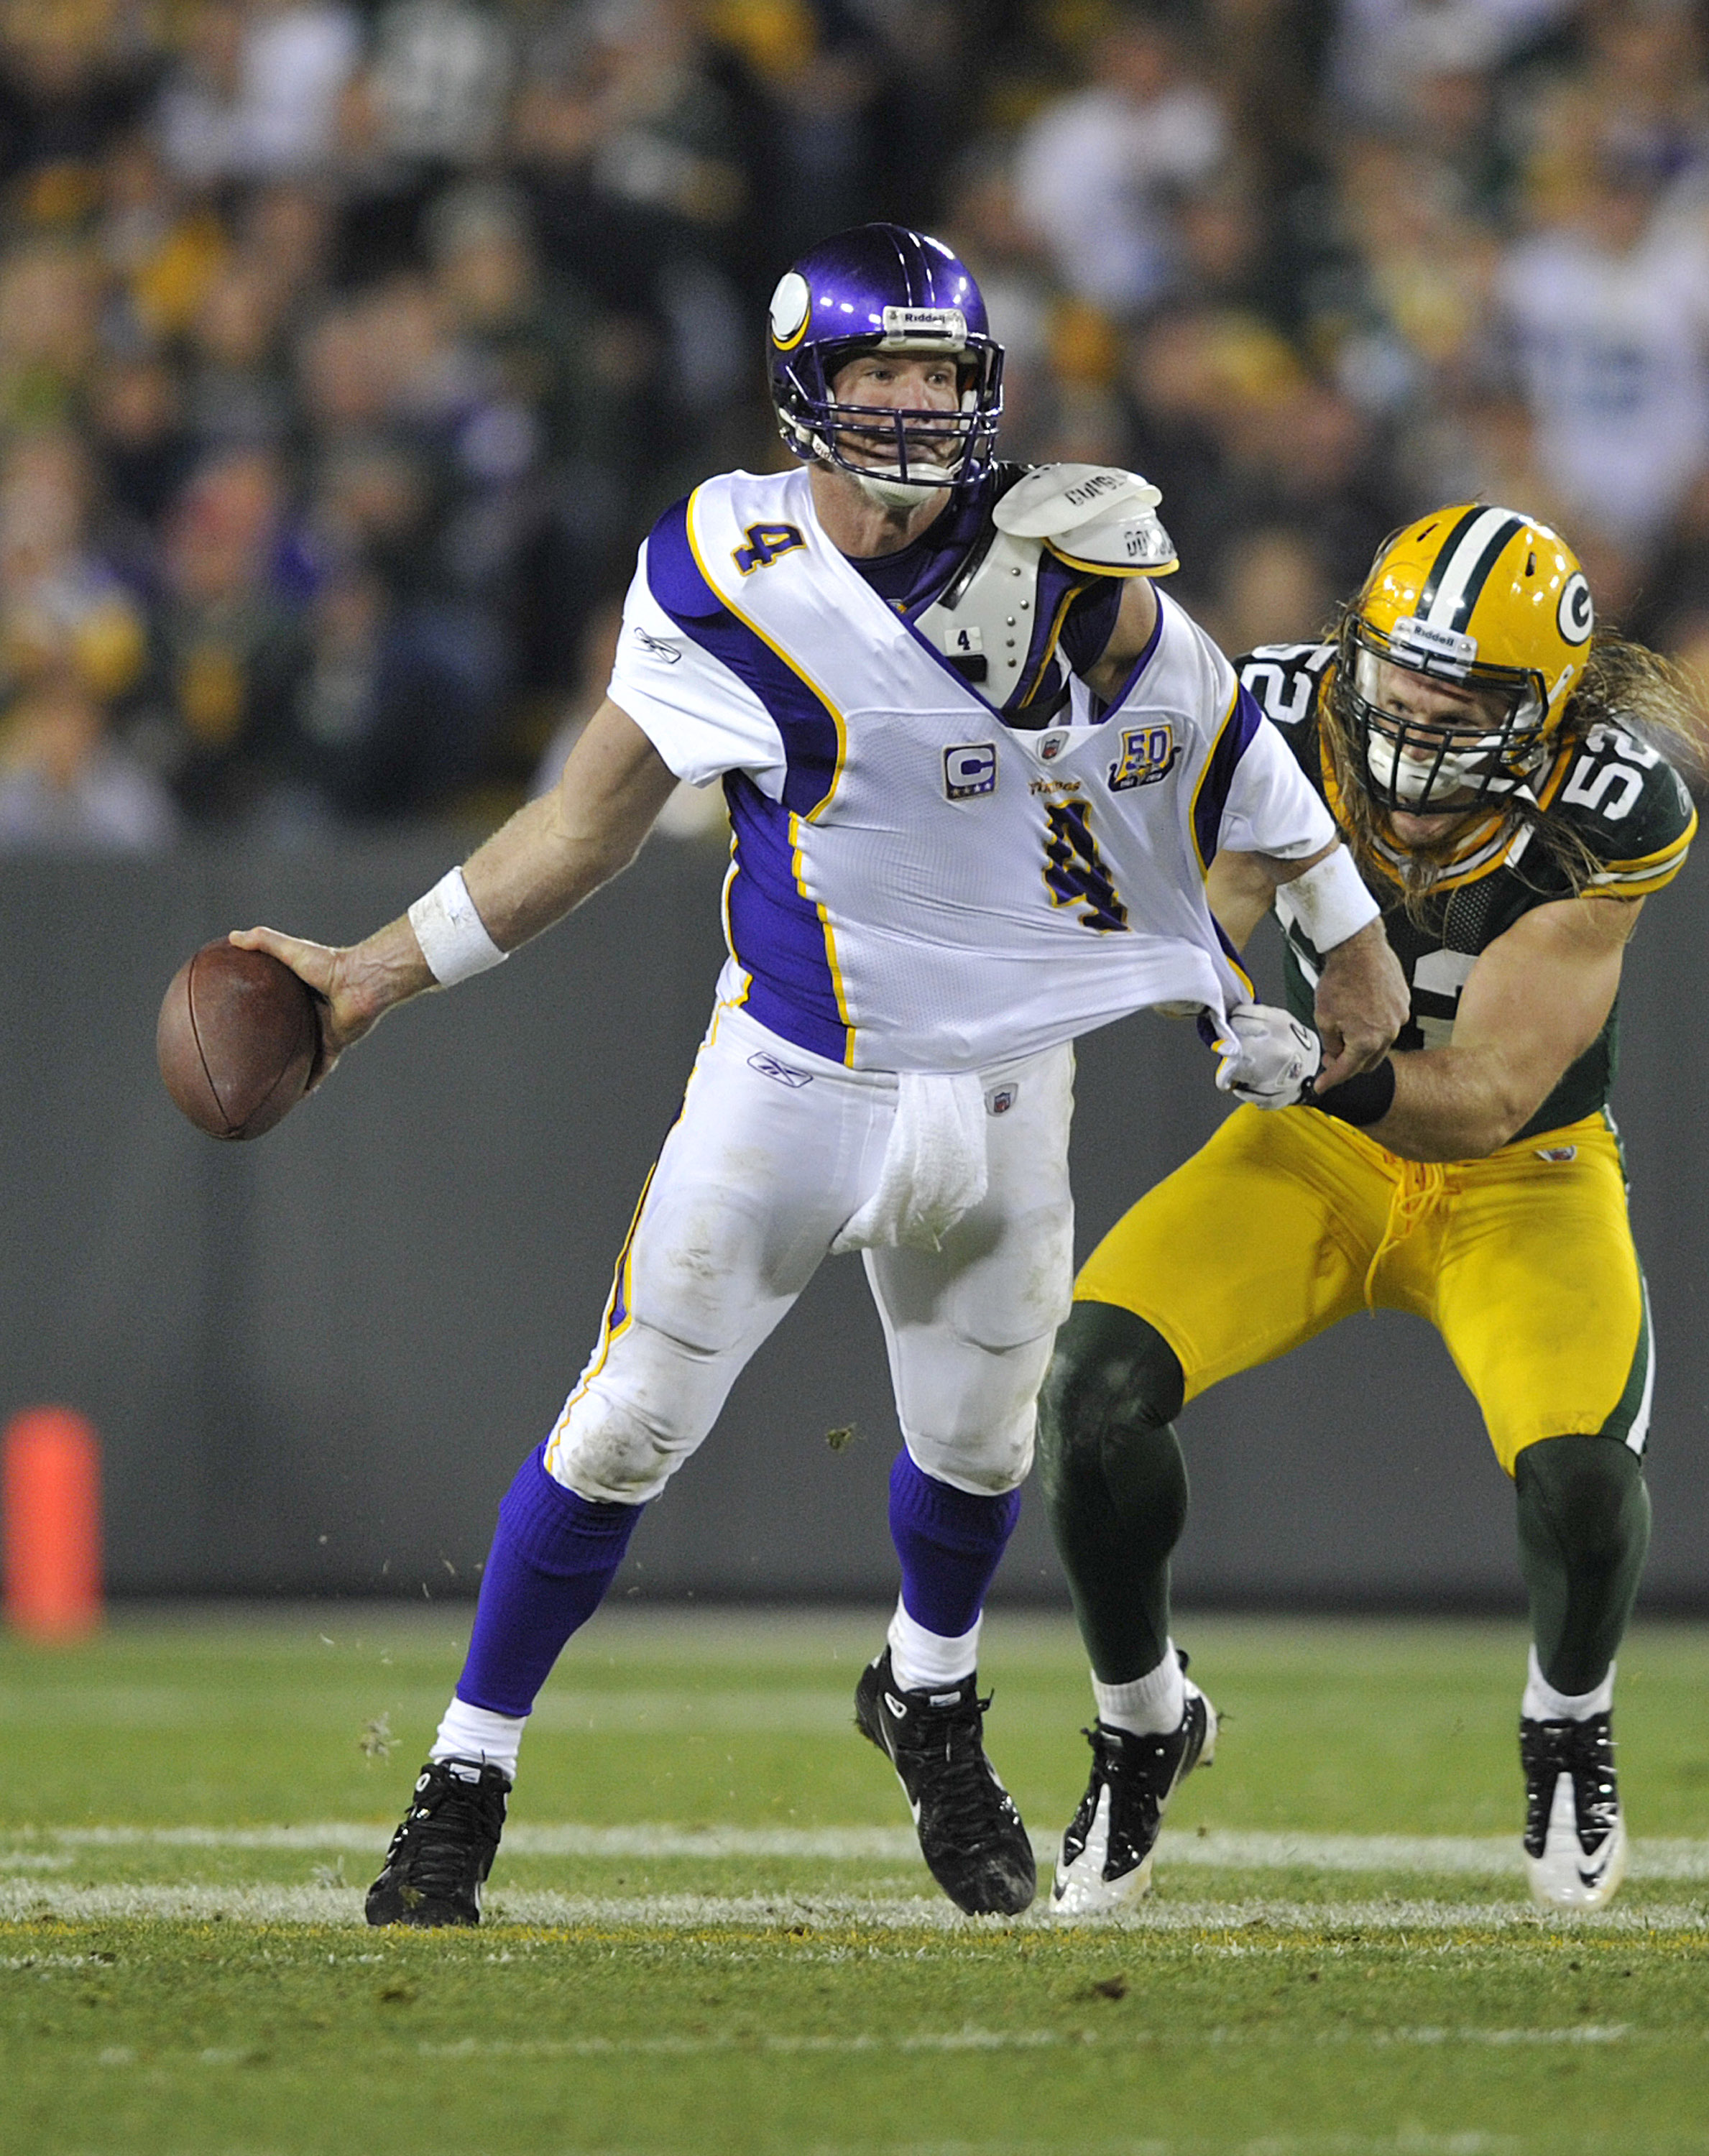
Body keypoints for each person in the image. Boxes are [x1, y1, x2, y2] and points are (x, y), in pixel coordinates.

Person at [231, 224, 1407, 1925]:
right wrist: (370, 978)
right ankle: (463, 1776)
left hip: (1006, 1087)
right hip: (792, 1077)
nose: (919, 408)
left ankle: (926, 1695)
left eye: (943, 374)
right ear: (808, 387)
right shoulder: (723, 560)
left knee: (984, 1453)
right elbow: (587, 821)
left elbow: (1225, 742)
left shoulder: (1079, 565)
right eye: (883, 373)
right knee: (625, 1425)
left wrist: (1344, 922)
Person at [1036, 502, 1702, 1917]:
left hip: (1521, 1176)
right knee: (1093, 1394)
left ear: (1553, 711)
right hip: (1316, 1163)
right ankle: (1143, 1714)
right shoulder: (1282, 710)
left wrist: (1317, 1074)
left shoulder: (1612, 810)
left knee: (1582, 1483)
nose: (1420, 717)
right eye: (1405, 675)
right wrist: (1211, 990)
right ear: (1361, 651)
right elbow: (1215, 910)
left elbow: (1492, 1093)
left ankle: (1567, 1716)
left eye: (1467, 697)